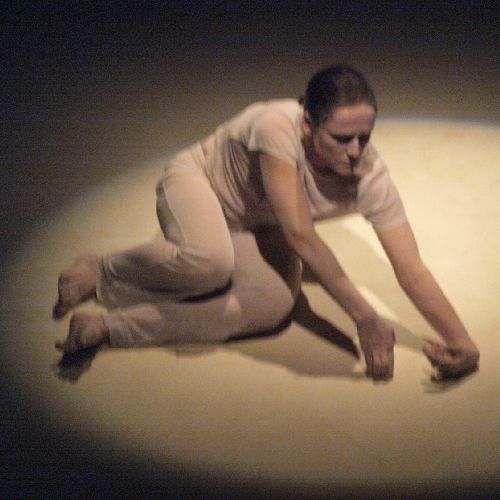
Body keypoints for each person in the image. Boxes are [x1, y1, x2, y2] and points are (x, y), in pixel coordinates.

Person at [53, 64, 479, 381]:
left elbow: (411, 270)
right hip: (201, 185)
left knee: (271, 307)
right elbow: (301, 236)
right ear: (308, 123)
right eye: (341, 138)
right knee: (209, 263)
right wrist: (364, 316)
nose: (355, 151)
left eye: (363, 138)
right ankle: (102, 270)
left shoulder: (370, 176)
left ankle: (106, 328)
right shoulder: (277, 126)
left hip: (261, 223)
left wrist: (461, 342)